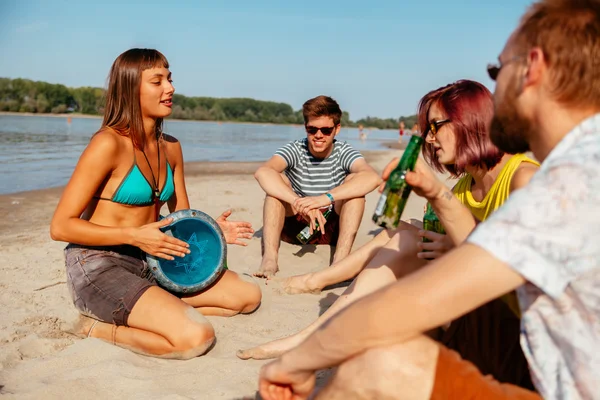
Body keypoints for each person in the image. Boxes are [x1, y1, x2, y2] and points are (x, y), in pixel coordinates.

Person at [257, 0, 600, 398]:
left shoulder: (568, 186)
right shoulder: (579, 169)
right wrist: (437, 193)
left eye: (497, 70)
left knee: (377, 366)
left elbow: (411, 303)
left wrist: (296, 362)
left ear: (532, 68)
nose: (492, 91)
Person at [239, 80, 538, 389]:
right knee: (404, 233)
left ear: (467, 121)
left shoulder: (523, 178)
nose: (429, 138)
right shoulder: (463, 187)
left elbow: (519, 275)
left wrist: (442, 215)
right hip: (470, 317)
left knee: (405, 238)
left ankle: (317, 330)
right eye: (427, 130)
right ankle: (317, 330)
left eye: (435, 126)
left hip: (507, 334)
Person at [50, 48, 262, 360]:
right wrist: (134, 235)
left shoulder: (172, 148)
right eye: (157, 81)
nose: (170, 88)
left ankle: (161, 309)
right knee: (196, 337)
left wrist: (210, 232)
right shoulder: (107, 144)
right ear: (131, 89)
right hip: (100, 263)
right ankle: (94, 328)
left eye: (170, 78)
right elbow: (61, 226)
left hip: (153, 257)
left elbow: (180, 219)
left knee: (247, 296)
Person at [253, 95, 381, 278]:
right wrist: (299, 202)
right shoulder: (295, 149)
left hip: (330, 226)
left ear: (336, 129)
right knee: (276, 186)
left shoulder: (344, 151)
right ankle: (270, 259)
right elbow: (263, 172)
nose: (318, 135)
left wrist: (324, 198)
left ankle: (339, 262)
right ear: (306, 128)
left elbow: (372, 177)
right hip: (295, 224)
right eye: (312, 129)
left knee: (355, 188)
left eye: (325, 130)